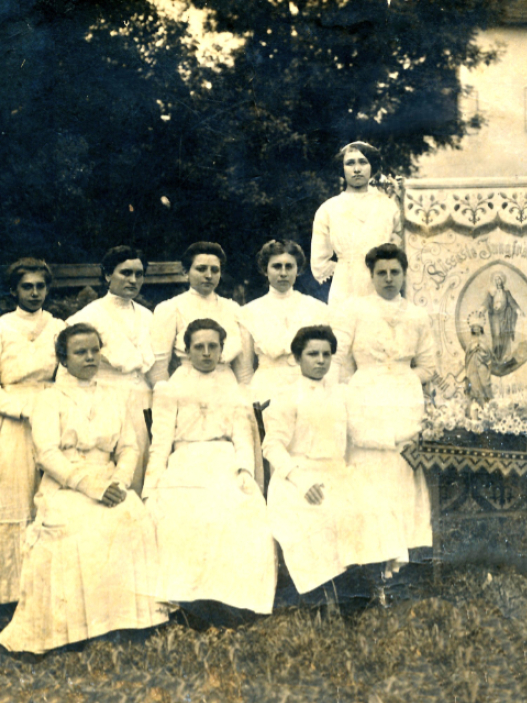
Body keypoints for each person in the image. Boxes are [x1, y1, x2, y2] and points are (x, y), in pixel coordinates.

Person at [0, 325, 167, 653]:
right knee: (78, 526)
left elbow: (128, 447)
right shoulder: (48, 399)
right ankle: (77, 626)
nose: (90, 357)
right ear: (63, 359)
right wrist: (90, 487)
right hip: (66, 485)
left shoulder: (114, 395)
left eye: (94, 350)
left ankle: (125, 620)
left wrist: (119, 482)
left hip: (109, 481)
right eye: (80, 352)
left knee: (133, 517)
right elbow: (47, 454)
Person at [144, 319, 276, 616]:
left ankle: (233, 601)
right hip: (184, 462)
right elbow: (160, 443)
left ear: (221, 349)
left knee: (242, 513)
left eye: (212, 347)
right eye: (199, 347)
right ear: (187, 350)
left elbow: (242, 437)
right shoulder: (169, 388)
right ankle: (189, 601)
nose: (206, 353)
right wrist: (150, 487)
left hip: (224, 461)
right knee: (182, 517)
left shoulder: (234, 389)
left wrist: (245, 472)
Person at [263, 326, 405, 602]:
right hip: (297, 479)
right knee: (322, 517)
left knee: (374, 506)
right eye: (312, 354)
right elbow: (272, 446)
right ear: (297, 357)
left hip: (336, 473)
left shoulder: (341, 394)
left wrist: (398, 439)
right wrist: (301, 481)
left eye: (326, 354)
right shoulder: (287, 396)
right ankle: (331, 596)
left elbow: (360, 433)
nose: (320, 360)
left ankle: (366, 589)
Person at [334, 244, 437, 578]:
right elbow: (338, 360)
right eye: (382, 273)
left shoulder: (417, 315)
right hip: (365, 397)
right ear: (371, 275)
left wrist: (403, 380)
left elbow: (428, 365)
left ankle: (403, 558)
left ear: (404, 274)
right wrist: (357, 388)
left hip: (404, 400)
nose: (389, 278)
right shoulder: (354, 310)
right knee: (369, 470)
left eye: (395, 272)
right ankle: (370, 559)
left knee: (400, 470)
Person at [0, 258, 65, 608]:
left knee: (49, 494)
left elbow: (67, 376)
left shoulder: (59, 327)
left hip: (52, 417)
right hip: (11, 422)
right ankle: (5, 591)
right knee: (12, 495)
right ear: (13, 290)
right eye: (27, 287)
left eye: (40, 286)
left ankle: (47, 587)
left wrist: (53, 410)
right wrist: (22, 410)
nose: (35, 293)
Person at [67, 246, 154, 491]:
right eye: (125, 273)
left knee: (142, 464)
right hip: (106, 400)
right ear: (107, 275)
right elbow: (70, 370)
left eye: (139, 274)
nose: (133, 280)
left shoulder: (148, 315)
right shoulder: (88, 316)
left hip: (143, 401)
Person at [240, 240, 331, 408]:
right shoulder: (249, 311)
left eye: (289, 267)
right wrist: (249, 403)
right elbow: (245, 370)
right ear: (265, 270)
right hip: (266, 390)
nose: (283, 273)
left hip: (307, 390)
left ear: (298, 270)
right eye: (276, 266)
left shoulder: (316, 308)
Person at [149, 241, 254, 387]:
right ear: (185, 272)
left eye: (215, 270)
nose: (209, 275)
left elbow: (244, 369)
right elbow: (159, 368)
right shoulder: (170, 308)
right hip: (187, 387)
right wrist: (165, 396)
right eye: (201, 269)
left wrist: (245, 396)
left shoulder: (234, 309)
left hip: (227, 388)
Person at [312, 141, 403, 305]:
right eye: (350, 163)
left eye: (363, 162)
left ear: (372, 167)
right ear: (342, 168)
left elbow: (401, 247)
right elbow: (319, 260)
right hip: (345, 287)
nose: (356, 169)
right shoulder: (329, 209)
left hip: (381, 284)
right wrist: (344, 268)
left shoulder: (388, 206)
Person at [481, 271, 521, 369]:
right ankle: (496, 358)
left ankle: (505, 358)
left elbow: (512, 302)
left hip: (504, 318)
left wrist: (518, 310)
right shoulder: (491, 293)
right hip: (494, 318)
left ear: (502, 281)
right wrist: (481, 310)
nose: (498, 281)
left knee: (504, 336)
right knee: (496, 336)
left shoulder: (506, 293)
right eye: (496, 279)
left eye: (499, 279)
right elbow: (486, 302)